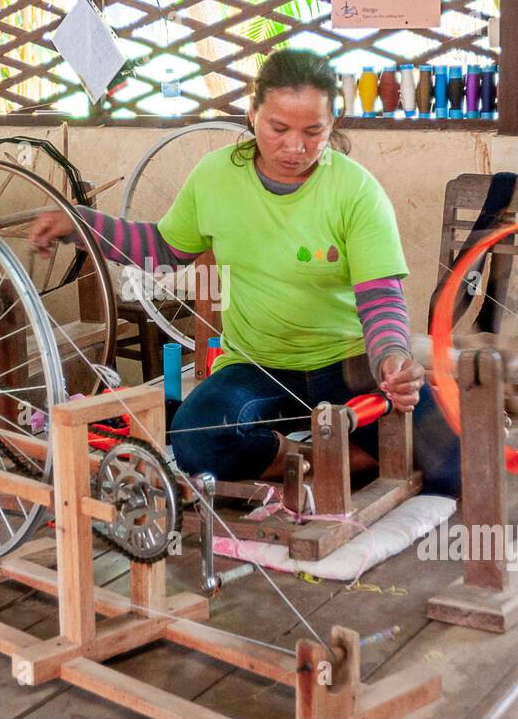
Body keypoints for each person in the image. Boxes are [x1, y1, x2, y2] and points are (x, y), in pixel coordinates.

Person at [30, 49, 460, 495]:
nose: (295, 147)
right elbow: (163, 248)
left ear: (333, 124)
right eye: (279, 128)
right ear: (252, 113)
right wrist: (79, 224)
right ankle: (325, 460)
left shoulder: (356, 190)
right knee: (196, 441)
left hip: (347, 366)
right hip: (258, 366)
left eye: (314, 131)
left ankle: (337, 459)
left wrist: (391, 358)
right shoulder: (215, 178)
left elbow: (380, 297)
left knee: (454, 465)